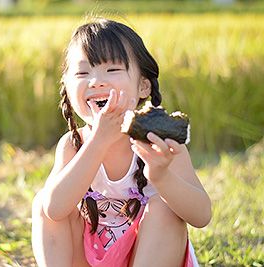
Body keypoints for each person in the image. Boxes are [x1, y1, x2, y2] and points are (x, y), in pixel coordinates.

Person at [32, 18, 211, 267]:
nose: (96, 81)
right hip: (89, 256)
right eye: (83, 73)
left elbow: (202, 215)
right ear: (66, 86)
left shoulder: (161, 144)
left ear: (143, 86)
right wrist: (98, 143)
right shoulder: (74, 144)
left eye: (112, 69)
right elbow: (53, 210)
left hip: (148, 256)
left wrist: (161, 176)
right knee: (44, 201)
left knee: (165, 209)